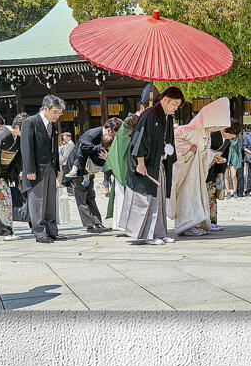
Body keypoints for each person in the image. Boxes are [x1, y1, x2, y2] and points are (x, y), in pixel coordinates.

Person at [115, 86, 184, 245]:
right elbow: (140, 140)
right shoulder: (150, 114)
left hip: (159, 162)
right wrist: (140, 163)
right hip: (146, 163)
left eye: (177, 106)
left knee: (159, 200)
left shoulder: (168, 117)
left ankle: (159, 233)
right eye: (174, 104)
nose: (175, 108)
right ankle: (147, 235)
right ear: (165, 99)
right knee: (147, 199)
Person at [169, 98, 231, 236]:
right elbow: (175, 139)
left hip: (196, 170)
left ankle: (196, 224)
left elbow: (204, 150)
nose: (215, 129)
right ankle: (186, 225)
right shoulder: (190, 128)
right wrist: (189, 148)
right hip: (187, 169)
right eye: (215, 126)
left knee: (197, 197)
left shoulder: (205, 133)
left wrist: (212, 156)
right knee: (187, 197)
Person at [104, 84, 161, 225]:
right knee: (127, 196)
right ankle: (126, 224)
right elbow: (126, 145)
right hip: (127, 164)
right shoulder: (130, 122)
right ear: (142, 108)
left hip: (143, 164)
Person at [20, 95, 66, 244]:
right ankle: (39, 232)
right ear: (45, 108)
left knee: (51, 201)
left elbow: (54, 149)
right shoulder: (30, 122)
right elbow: (27, 148)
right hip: (36, 169)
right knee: (37, 201)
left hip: (51, 168)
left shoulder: (52, 125)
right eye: (55, 112)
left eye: (59, 113)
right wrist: (29, 169)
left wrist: (57, 168)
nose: (57, 116)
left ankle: (52, 231)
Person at [65, 117, 122, 233]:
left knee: (91, 195)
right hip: (78, 168)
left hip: (89, 168)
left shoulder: (106, 138)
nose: (116, 136)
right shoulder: (93, 133)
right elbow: (83, 148)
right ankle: (89, 225)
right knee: (81, 196)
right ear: (110, 130)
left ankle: (97, 223)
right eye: (116, 133)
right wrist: (99, 148)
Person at [208, 118, 241, 227]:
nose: (232, 137)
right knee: (205, 196)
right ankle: (205, 221)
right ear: (225, 130)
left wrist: (220, 171)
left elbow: (225, 154)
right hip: (205, 167)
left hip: (215, 167)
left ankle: (213, 221)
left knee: (212, 195)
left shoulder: (227, 139)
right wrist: (213, 157)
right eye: (232, 134)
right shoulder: (213, 134)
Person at [0, 113, 23, 241]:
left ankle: (6, 231)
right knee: (3, 204)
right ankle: (5, 232)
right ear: (17, 128)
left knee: (5, 204)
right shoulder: (3, 134)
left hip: (5, 174)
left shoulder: (16, 137)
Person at [225, 124, 243, 197]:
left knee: (234, 175)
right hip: (226, 157)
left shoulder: (236, 138)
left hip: (234, 158)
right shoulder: (225, 137)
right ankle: (228, 191)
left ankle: (235, 191)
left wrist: (240, 160)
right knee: (226, 176)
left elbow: (239, 150)